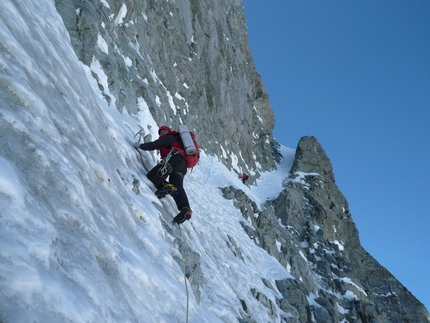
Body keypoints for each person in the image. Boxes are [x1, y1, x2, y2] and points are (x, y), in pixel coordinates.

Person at [134, 125, 192, 224]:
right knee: (178, 186)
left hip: (173, 161)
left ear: (168, 131)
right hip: (182, 166)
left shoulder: (169, 137)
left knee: (152, 175)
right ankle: (185, 209)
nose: (162, 134)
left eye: (164, 131)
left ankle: (167, 187)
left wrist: (140, 146)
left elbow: (154, 145)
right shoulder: (177, 141)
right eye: (160, 132)